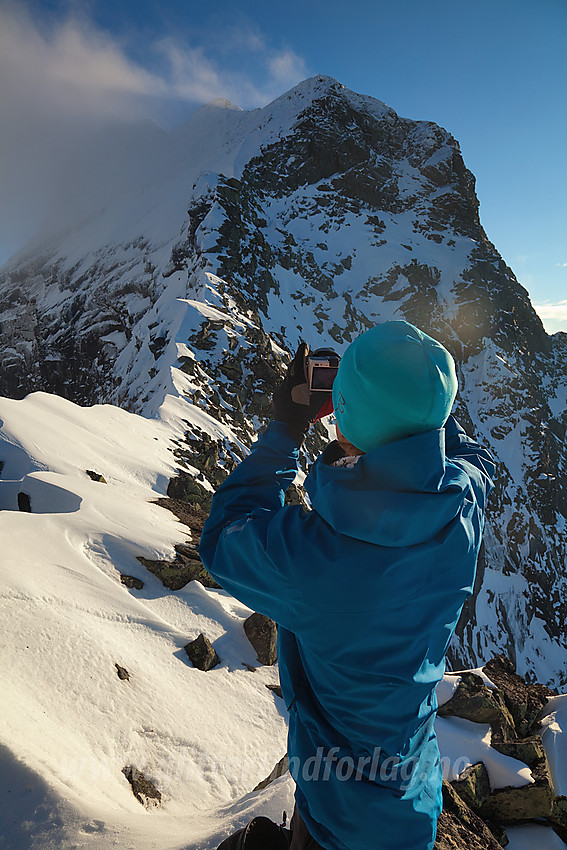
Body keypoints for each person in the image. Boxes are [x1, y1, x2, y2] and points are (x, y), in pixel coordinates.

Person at [199, 320, 495, 850]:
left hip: (338, 817)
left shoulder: (315, 560)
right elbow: (475, 460)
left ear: (343, 419)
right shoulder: (461, 509)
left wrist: (287, 426)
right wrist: (413, 409)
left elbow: (223, 538)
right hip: (412, 797)